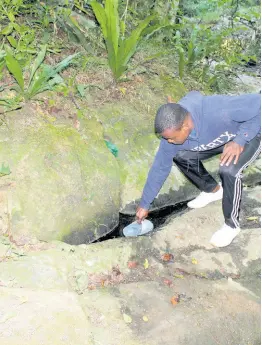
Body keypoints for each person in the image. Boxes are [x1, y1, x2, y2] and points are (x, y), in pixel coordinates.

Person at [136, 91, 261, 247]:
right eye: (166, 138)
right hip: (221, 140)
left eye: (172, 137)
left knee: (228, 169)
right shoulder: (171, 137)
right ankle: (213, 191)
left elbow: (258, 104)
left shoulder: (219, 110)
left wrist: (240, 140)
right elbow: (159, 168)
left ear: (186, 126)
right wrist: (144, 205)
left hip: (250, 135)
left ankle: (231, 225)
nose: (168, 141)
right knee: (181, 155)